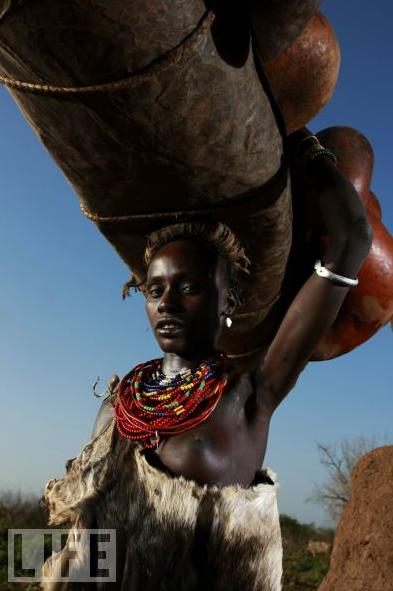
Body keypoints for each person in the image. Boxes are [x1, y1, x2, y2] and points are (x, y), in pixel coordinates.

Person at [42, 133, 372, 590]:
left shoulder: (250, 396)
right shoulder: (117, 406)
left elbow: (352, 238)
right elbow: (87, 549)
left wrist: (309, 151)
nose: (168, 304)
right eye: (155, 291)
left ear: (228, 301)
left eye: (190, 287)